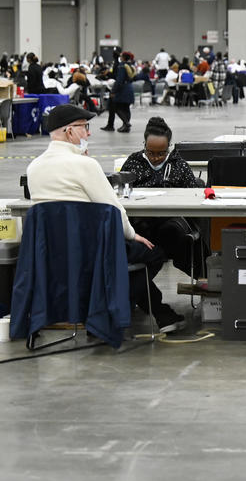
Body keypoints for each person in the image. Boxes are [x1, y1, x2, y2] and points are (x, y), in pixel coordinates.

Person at [26, 104, 184, 333]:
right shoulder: (85, 165)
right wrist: (133, 234)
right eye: (85, 127)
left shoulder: (34, 167)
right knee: (153, 253)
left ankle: (153, 312)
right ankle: (122, 309)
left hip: (52, 251)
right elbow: (113, 210)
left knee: (129, 257)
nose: (89, 133)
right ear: (70, 132)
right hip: (91, 250)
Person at [120, 117, 207, 277]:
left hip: (171, 226)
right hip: (141, 225)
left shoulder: (179, 166)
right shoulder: (133, 163)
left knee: (178, 238)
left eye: (161, 153)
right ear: (144, 145)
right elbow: (122, 192)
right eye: (150, 152)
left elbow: (194, 196)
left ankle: (206, 279)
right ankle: (149, 299)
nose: (155, 158)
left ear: (169, 148)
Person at [102, 51, 135, 133]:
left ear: (123, 57)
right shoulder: (130, 66)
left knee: (116, 106)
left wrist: (113, 91)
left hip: (123, 88)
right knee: (126, 108)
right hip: (129, 87)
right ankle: (126, 127)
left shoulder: (122, 66)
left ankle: (126, 123)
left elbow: (119, 80)